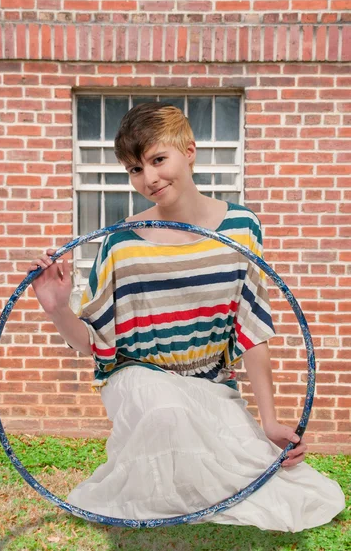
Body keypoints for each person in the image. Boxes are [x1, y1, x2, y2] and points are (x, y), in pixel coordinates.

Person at [28, 103, 345, 532]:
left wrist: (268, 421)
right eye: (135, 170)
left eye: (159, 160)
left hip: (210, 384)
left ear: (189, 150)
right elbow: (96, 343)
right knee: (167, 412)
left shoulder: (241, 228)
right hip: (139, 379)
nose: (149, 179)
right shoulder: (121, 243)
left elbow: (250, 328)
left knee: (269, 482)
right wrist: (57, 307)